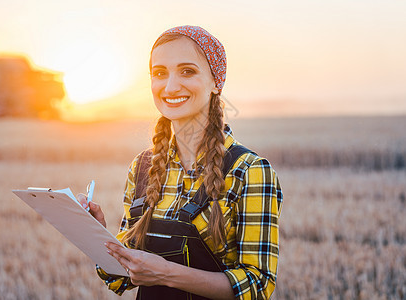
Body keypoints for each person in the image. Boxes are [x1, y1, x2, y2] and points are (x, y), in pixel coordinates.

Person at [77, 25, 283, 300]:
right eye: (160, 73)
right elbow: (119, 281)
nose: (171, 86)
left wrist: (166, 274)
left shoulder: (249, 171)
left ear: (216, 82)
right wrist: (97, 235)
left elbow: (257, 287)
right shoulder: (142, 167)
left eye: (187, 71)